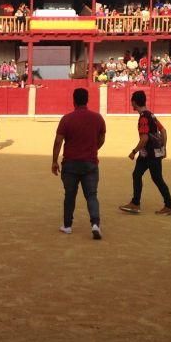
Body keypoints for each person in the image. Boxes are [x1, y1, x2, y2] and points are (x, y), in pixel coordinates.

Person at [51, 88, 106, 239]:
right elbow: (102, 138)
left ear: (73, 100)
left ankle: (67, 226)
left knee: (70, 195)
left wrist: (54, 161)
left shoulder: (67, 119)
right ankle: (95, 224)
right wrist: (93, 148)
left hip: (70, 164)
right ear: (87, 100)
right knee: (92, 195)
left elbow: (58, 141)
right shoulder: (98, 118)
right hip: (90, 163)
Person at [120, 90, 171, 215]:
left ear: (134, 102)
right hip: (149, 154)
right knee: (137, 174)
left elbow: (144, 138)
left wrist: (134, 151)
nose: (131, 104)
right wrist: (164, 148)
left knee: (157, 179)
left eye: (132, 102)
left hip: (150, 154)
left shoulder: (144, 118)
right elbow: (164, 131)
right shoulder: (151, 115)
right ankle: (135, 203)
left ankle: (170, 206)